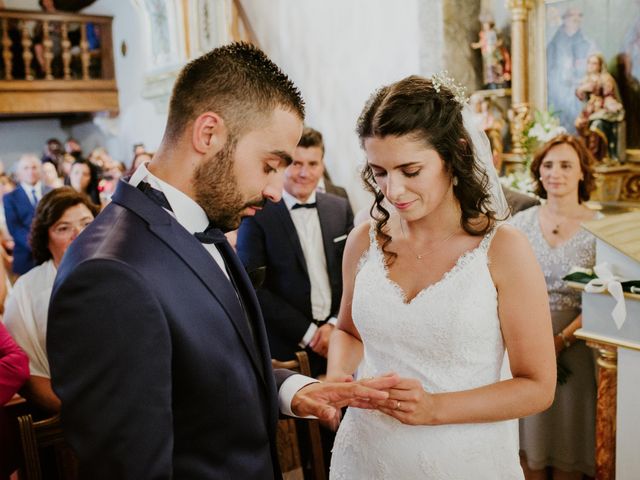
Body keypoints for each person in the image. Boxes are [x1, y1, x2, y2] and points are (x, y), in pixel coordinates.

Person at [46, 42, 397, 479]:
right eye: (270, 165)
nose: (274, 191)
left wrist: (294, 391)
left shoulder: (200, 226)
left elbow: (210, 373)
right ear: (208, 134)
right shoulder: (110, 276)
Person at [326, 75, 556, 479]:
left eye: (410, 170)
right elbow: (348, 332)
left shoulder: (504, 250)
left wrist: (435, 408)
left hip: (464, 460)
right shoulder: (364, 240)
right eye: (379, 172)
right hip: (364, 455)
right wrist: (337, 378)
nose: (392, 189)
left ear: (455, 155)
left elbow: (537, 385)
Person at [511, 134, 599, 479]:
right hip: (525, 347)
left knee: (568, 441)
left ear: (581, 173)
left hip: (578, 345)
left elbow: (604, 298)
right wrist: (531, 343)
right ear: (538, 171)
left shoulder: (599, 230)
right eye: (547, 165)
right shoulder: (518, 226)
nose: (555, 173)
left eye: (565, 165)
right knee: (527, 440)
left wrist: (561, 340)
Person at [237, 126, 354, 377]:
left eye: (313, 164)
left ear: (322, 165)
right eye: (297, 163)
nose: (304, 173)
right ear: (283, 165)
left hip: (339, 339)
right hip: (287, 348)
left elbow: (354, 272)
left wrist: (334, 324)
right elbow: (252, 286)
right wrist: (311, 335)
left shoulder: (339, 208)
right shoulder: (257, 213)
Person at [4, 187, 98, 414]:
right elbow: (30, 374)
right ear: (45, 238)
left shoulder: (126, 273)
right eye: (63, 228)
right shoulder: (27, 290)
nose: (79, 235)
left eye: (87, 223)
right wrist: (82, 417)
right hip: (70, 415)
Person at [546, 7, 597, 132]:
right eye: (572, 15)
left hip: (579, 98)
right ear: (564, 19)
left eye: (579, 15)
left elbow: (596, 70)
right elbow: (548, 75)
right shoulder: (553, 44)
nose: (576, 18)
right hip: (558, 96)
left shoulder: (588, 43)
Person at [3, 154, 51, 275]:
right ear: (18, 173)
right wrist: (37, 244)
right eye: (26, 168)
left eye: (34, 167)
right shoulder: (10, 198)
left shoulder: (52, 192)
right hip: (25, 257)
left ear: (40, 170)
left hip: (52, 253)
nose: (31, 171)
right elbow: (14, 228)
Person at [575, 53, 625, 162]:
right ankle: (586, 156)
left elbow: (609, 95)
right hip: (589, 110)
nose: (591, 66)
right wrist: (582, 89)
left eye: (594, 63)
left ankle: (598, 156)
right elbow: (580, 95)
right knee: (579, 124)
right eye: (589, 63)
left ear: (600, 65)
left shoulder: (605, 78)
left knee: (596, 125)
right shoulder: (586, 79)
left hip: (601, 108)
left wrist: (610, 104)